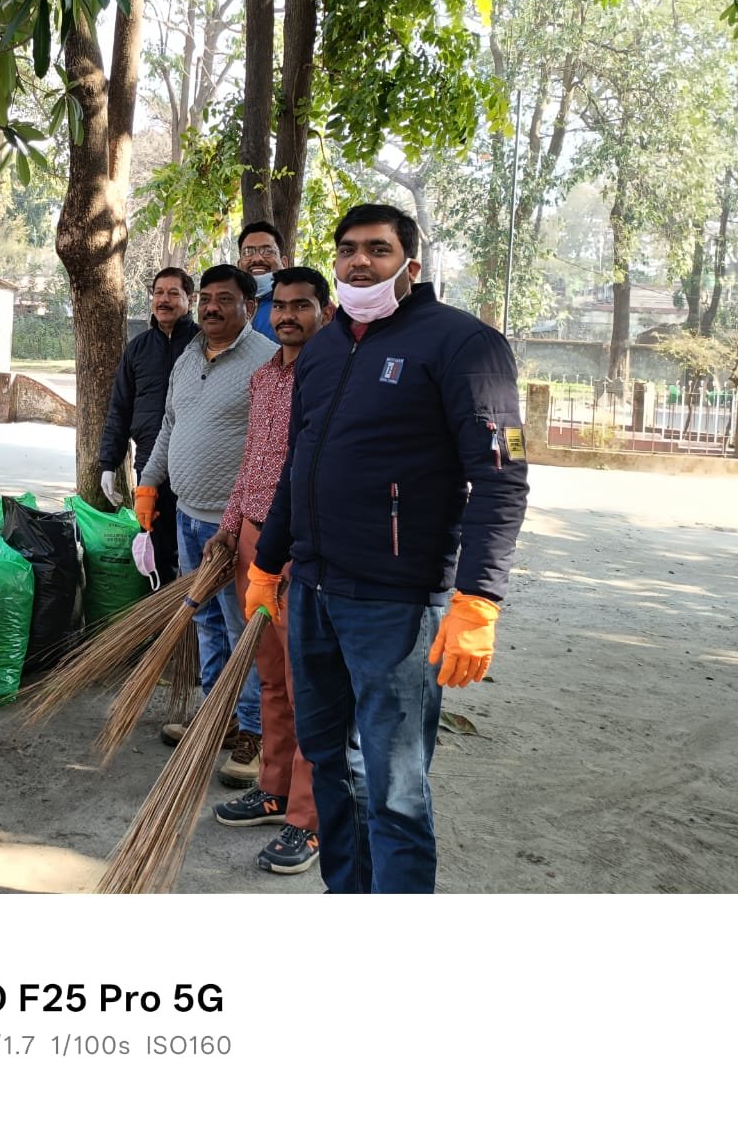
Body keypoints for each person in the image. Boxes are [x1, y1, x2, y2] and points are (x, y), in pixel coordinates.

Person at [249, 204, 530, 893]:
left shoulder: (463, 344)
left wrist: (478, 598)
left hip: (393, 602)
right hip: (312, 591)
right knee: (329, 761)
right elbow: (297, 466)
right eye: (347, 249)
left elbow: (502, 475)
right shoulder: (323, 349)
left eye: (377, 249)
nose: (358, 262)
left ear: (411, 263)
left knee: (393, 784)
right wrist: (266, 565)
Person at [206, 266, 337, 875]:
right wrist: (231, 527)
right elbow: (252, 461)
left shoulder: (334, 375)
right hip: (253, 541)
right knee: (272, 675)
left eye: (301, 306)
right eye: (279, 306)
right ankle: (275, 788)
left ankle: (309, 820)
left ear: (325, 311)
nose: (287, 316)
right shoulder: (264, 378)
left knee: (309, 683)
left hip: (303, 545)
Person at [134, 264, 276, 786]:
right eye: (207, 299)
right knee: (207, 624)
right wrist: (149, 483)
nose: (212, 307)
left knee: (245, 630)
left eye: (225, 299)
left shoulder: (266, 362)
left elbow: (268, 449)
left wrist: (241, 521)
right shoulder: (189, 356)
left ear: (249, 307)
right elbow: (170, 425)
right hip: (189, 515)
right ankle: (219, 717)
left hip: (237, 527)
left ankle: (253, 734)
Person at [96, 266, 197, 582]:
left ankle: (194, 609)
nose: (163, 300)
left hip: (195, 465)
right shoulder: (138, 348)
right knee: (156, 545)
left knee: (193, 548)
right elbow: (120, 409)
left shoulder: (202, 345)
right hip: (149, 464)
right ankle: (161, 607)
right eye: (158, 293)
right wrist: (109, 463)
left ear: (190, 300)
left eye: (173, 293)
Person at [237, 221, 288, 340]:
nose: (257, 259)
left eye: (268, 251)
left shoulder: (302, 304)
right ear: (239, 265)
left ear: (284, 263)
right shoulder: (228, 306)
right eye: (248, 252)